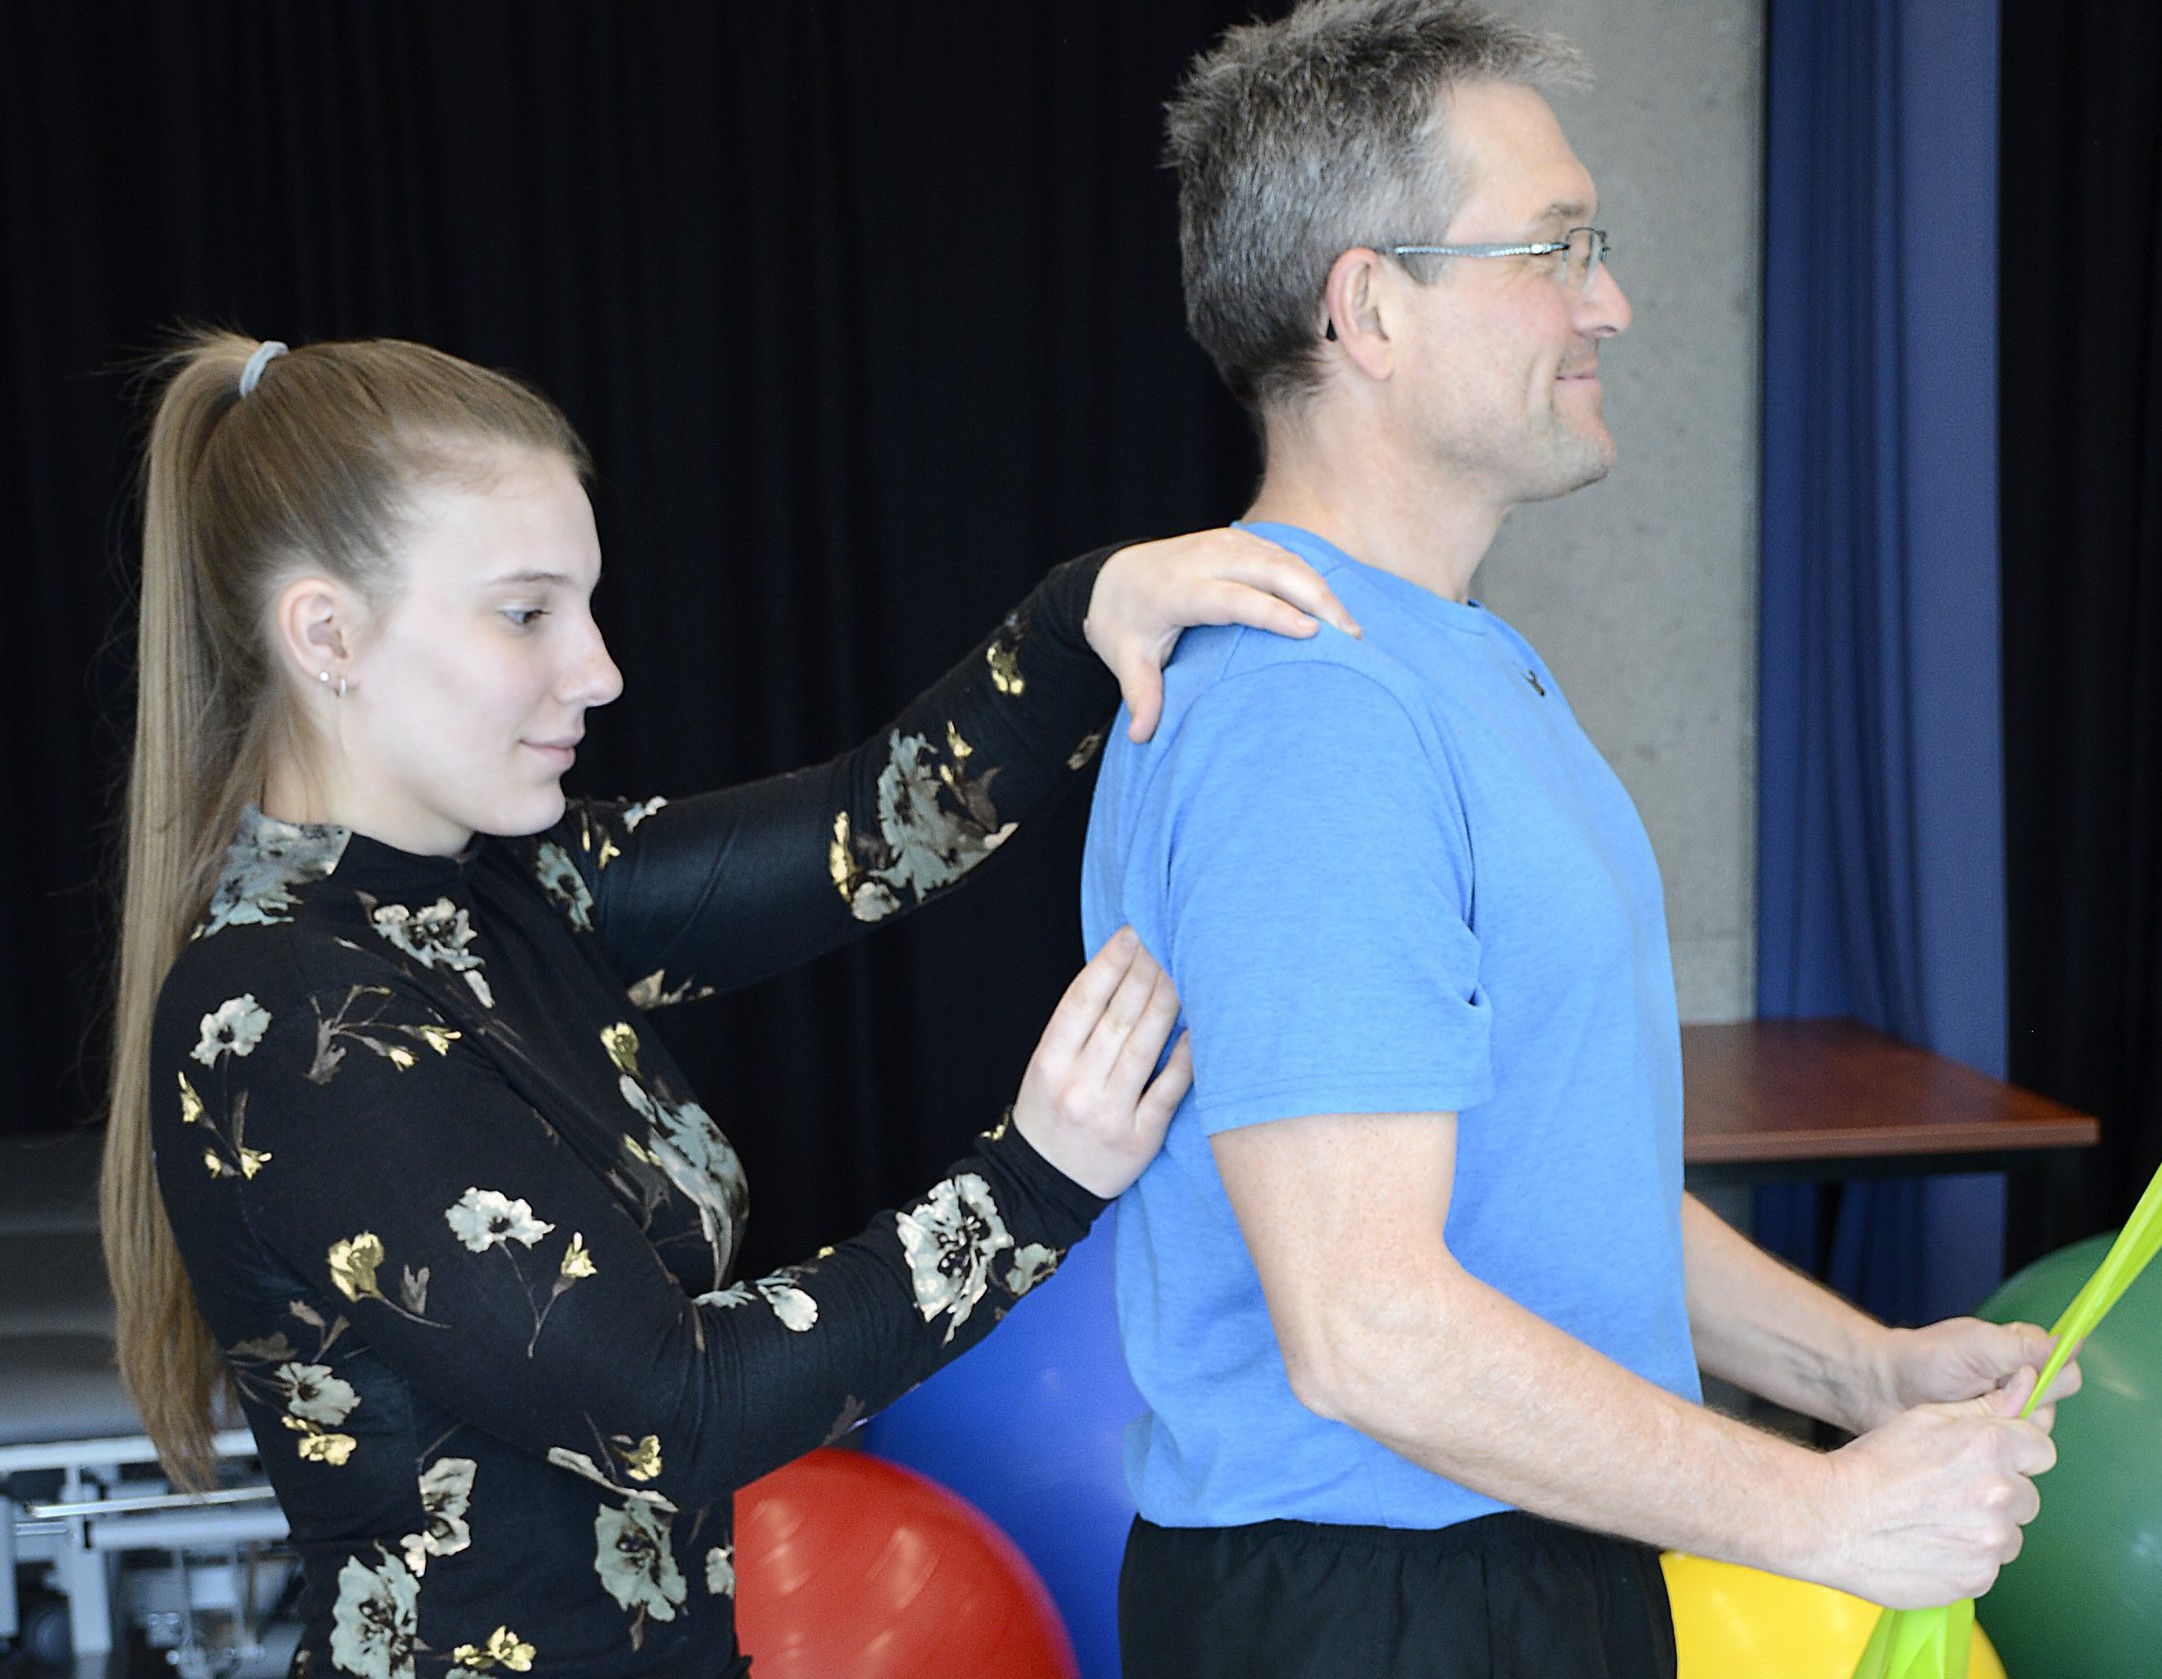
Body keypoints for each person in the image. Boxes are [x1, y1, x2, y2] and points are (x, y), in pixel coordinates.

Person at [99, 329, 1354, 1678]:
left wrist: (1082, 616)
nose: (597, 669)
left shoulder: (507, 889)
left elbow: (867, 831)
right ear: (327, 635)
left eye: (585, 607)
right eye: (526, 614)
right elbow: (672, 1412)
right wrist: (1030, 1187)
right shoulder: (289, 1007)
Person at [1082, 0, 2080, 1678]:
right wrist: (1824, 1512)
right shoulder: (1310, 714)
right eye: (1555, 248)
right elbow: (1370, 1326)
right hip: (1378, 1606)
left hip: (1522, 1561)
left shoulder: (1452, 661)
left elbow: (1558, 1197)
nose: (1607, 299)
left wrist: (1863, 1373)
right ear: (1370, 308)